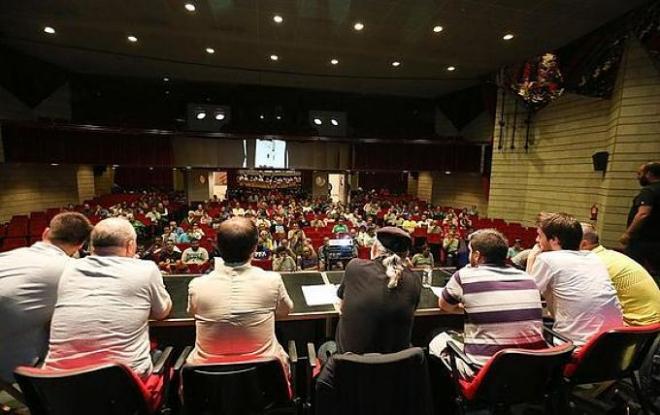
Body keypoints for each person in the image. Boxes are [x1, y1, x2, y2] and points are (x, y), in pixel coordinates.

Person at [44, 218, 172, 380]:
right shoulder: (145, 269)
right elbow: (162, 312)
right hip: (122, 384)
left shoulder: (68, 268)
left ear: (91, 246)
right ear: (130, 245)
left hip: (59, 385)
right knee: (163, 354)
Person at [429, 229, 545, 376]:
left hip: (486, 374)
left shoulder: (465, 275)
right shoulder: (528, 278)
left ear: (477, 256)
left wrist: (468, 307)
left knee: (436, 337)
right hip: (532, 369)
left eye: (471, 251)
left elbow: (445, 306)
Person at [186, 217, 294, 369]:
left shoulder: (197, 286)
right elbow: (285, 311)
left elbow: (192, 313)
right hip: (266, 380)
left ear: (217, 246)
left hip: (209, 384)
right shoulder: (272, 281)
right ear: (255, 247)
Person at [0, 213, 92, 384]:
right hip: (14, 367)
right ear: (80, 245)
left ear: (45, 233)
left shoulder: (7, 256)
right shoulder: (72, 269)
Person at [527, 212, 623, 345]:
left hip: (576, 348)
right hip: (612, 345)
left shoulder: (547, 259)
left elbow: (526, 296)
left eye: (539, 235)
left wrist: (532, 258)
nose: (537, 240)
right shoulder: (593, 257)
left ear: (554, 240)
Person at [334, 226, 421, 354]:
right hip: (394, 368)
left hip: (350, 368)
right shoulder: (414, 279)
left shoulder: (355, 267)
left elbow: (342, 307)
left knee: (324, 345)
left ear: (374, 248)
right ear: (406, 255)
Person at [581, 223, 660, 326]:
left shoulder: (593, 263)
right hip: (652, 327)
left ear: (584, 244)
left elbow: (583, 304)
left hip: (634, 328)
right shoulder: (610, 255)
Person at [621, 162, 660, 275]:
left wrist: (628, 234)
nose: (638, 177)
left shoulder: (649, 191)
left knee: (629, 270)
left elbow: (643, 214)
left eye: (640, 173)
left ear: (649, 174)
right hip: (657, 240)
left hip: (642, 241)